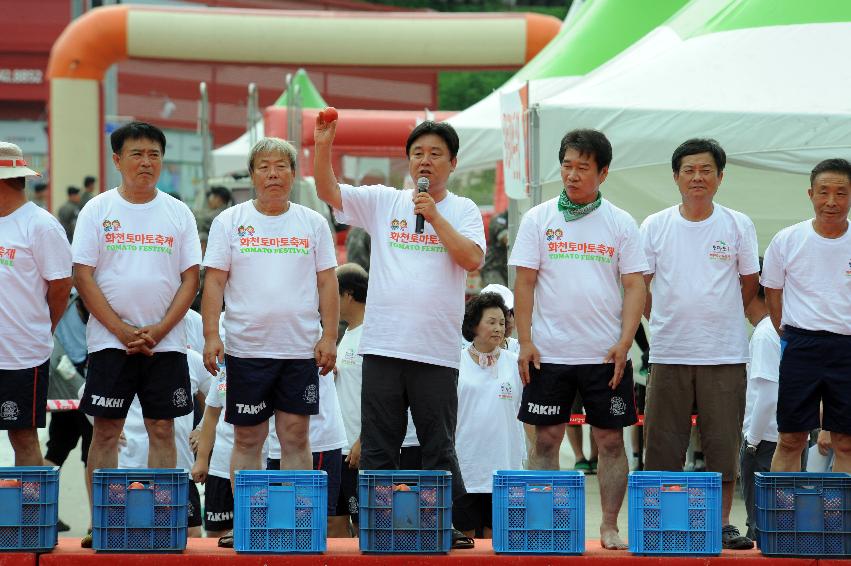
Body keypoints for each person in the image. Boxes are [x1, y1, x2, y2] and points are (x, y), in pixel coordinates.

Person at [314, 118, 485, 546]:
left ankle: (440, 523)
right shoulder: (383, 202)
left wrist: (434, 216)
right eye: (418, 153)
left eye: (435, 154)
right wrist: (322, 146)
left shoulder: (462, 209)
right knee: (379, 446)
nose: (425, 161)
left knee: (437, 446)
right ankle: (380, 524)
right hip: (384, 347)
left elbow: (471, 260)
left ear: (453, 162)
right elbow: (329, 192)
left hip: (436, 352)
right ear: (408, 160)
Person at [510, 129, 646, 550]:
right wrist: (525, 340)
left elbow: (635, 286)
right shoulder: (539, 218)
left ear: (603, 172)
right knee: (546, 439)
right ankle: (544, 525)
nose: (572, 174)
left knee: (609, 440)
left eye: (583, 168)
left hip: (605, 355)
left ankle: (608, 525)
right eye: (567, 165)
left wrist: (625, 343)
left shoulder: (621, 222)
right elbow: (525, 283)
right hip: (548, 353)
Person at [72, 122, 201, 547]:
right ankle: (104, 523)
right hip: (110, 342)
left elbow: (190, 279)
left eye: (154, 155)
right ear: (117, 160)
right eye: (137, 154)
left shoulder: (177, 212)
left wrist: (159, 330)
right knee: (105, 430)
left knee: (162, 427)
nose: (146, 162)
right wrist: (121, 329)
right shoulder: (97, 210)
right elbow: (83, 275)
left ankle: (164, 523)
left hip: (165, 344)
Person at [640, 138, 759, 550]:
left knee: (722, 444)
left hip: (724, 352)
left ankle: (723, 523)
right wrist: (666, 318)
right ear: (675, 177)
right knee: (662, 444)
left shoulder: (738, 224)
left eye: (706, 170)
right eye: (688, 170)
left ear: (720, 177)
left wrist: (718, 315)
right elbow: (642, 286)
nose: (697, 177)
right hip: (670, 351)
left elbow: (748, 286)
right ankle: (659, 521)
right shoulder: (655, 225)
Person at [201, 138, 338, 493]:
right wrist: (211, 336)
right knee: (248, 438)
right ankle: (249, 522)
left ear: (293, 174)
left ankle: (298, 523)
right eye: (264, 167)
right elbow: (214, 282)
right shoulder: (230, 221)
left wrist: (329, 337)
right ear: (252, 175)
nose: (273, 174)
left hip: (298, 351)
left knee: (295, 436)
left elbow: (327, 282)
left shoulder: (313, 222)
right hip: (246, 351)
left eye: (281, 166)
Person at [763, 158, 851, 473]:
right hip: (801, 344)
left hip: (847, 348)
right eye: (823, 192)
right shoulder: (788, 239)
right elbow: (772, 291)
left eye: (841, 193)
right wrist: (785, 332)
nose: (831, 201)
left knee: (845, 441)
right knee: (790, 438)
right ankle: (782, 520)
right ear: (810, 194)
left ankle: (841, 520)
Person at [0, 141, 73, 466]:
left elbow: (61, 288)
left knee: (23, 436)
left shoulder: (40, 225)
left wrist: (44, 328)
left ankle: (30, 517)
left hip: (21, 353)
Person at [453, 292, 524, 540]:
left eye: (502, 323)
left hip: (504, 468)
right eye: (491, 322)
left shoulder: (516, 364)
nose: (498, 328)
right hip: (465, 468)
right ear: (473, 325)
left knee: (499, 539)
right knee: (465, 540)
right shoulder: (455, 363)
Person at [119, 348, 212, 537]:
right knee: (133, 534)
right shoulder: (121, 355)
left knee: (190, 533)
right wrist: (111, 427)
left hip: (179, 469)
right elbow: (85, 393)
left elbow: (218, 392)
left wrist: (203, 429)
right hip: (130, 466)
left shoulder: (190, 358)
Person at [740, 269, 780, 540]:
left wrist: (751, 441)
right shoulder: (778, 328)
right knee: (776, 522)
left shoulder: (765, 334)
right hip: (778, 435)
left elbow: (767, 394)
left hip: (764, 440)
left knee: (761, 526)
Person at [481, 210, 509, 286]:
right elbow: (505, 238)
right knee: (498, 295)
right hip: (494, 268)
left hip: (510, 270)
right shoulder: (500, 219)